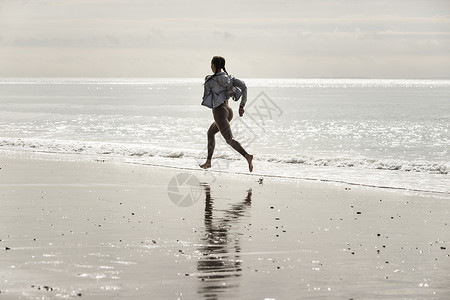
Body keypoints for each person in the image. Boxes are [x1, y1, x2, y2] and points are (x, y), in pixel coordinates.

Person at [199, 56, 253, 172]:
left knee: (229, 139)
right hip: (228, 111)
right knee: (210, 133)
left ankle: (247, 156)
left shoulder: (210, 80)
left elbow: (206, 97)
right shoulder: (229, 78)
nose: (211, 66)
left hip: (219, 112)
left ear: (213, 65)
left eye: (211, 64)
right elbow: (244, 87)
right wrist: (241, 106)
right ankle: (208, 162)